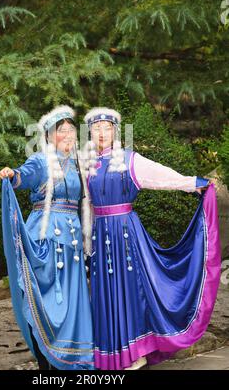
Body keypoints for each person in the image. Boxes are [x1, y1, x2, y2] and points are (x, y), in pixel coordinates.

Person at [82, 107, 221, 371]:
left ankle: (136, 353)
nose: (102, 133)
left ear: (115, 131)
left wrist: (192, 182)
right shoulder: (87, 165)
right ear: (90, 133)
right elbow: (87, 205)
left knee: (131, 290)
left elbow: (161, 176)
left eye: (107, 128)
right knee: (105, 293)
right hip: (101, 237)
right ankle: (111, 354)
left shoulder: (129, 160)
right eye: (96, 128)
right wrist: (88, 242)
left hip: (125, 234)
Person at [0, 105, 94, 370]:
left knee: (74, 300)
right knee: (47, 298)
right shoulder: (41, 160)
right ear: (50, 136)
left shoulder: (77, 164)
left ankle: (75, 355)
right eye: (60, 131)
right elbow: (24, 176)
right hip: (47, 238)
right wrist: (12, 175)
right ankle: (46, 358)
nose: (67, 135)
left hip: (72, 242)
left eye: (70, 131)